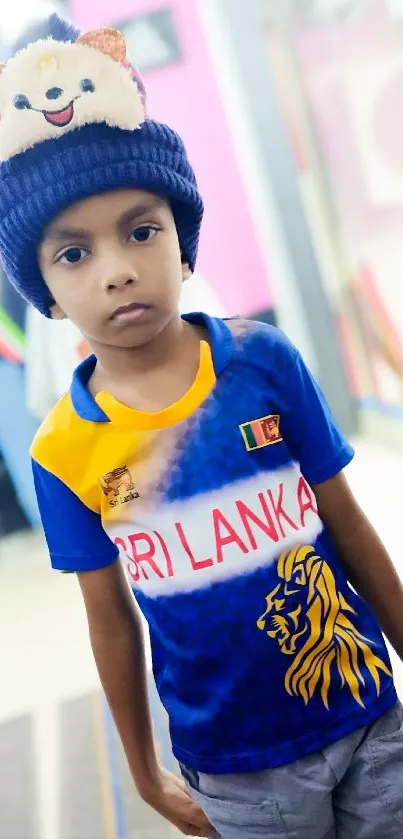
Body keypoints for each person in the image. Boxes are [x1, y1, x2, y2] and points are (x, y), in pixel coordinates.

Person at [1, 15, 403, 839]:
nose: (116, 267)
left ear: (182, 243)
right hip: (235, 763)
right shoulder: (62, 449)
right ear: (41, 292)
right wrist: (142, 770)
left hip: (367, 714)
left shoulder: (264, 361)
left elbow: (346, 519)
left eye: (141, 230)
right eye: (71, 254)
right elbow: (108, 616)